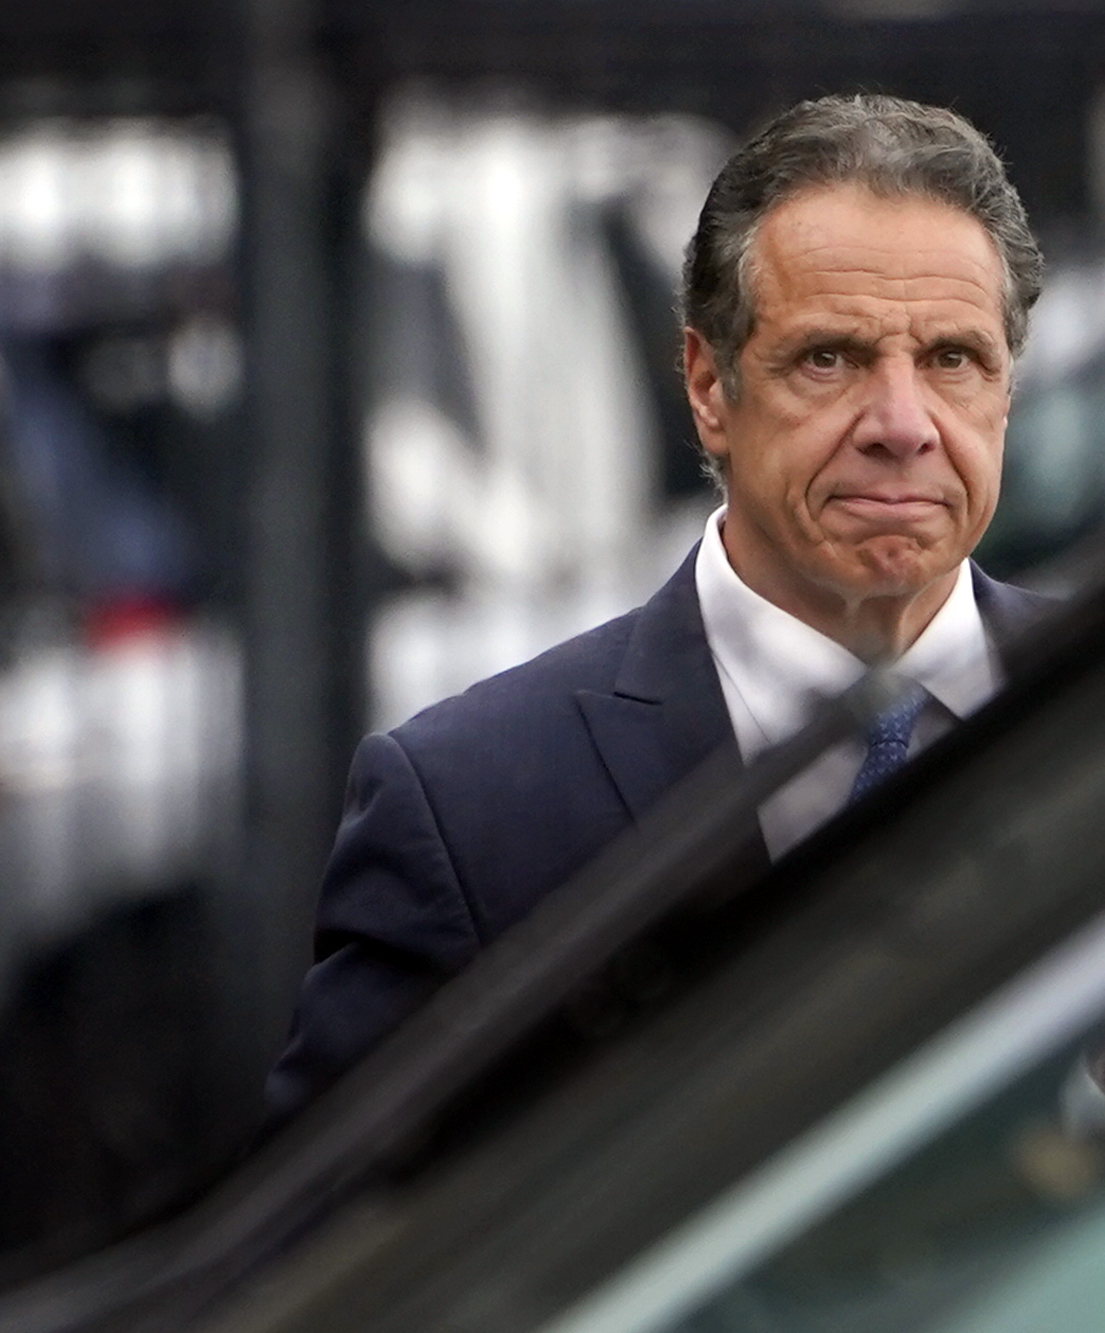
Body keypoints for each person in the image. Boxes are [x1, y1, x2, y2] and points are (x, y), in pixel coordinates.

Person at [267, 95, 1051, 1120]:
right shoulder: (466, 810)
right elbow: (338, 1243)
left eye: (951, 359)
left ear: (1005, 386)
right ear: (707, 387)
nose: (901, 425)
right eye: (829, 359)